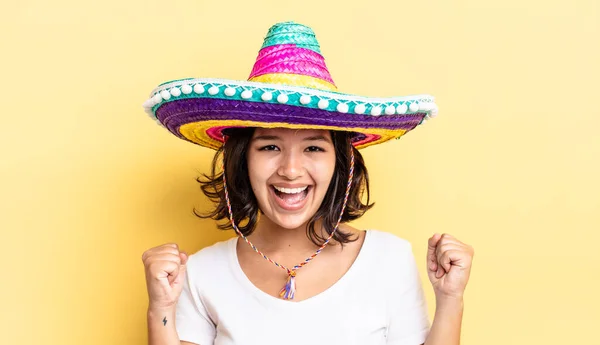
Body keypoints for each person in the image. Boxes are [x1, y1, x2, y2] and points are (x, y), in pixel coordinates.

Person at [141, 21, 474, 345]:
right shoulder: (202, 272)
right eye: (269, 147)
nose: (290, 169)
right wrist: (161, 309)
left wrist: (450, 299)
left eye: (313, 148)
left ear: (340, 161)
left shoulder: (390, 259)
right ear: (241, 158)